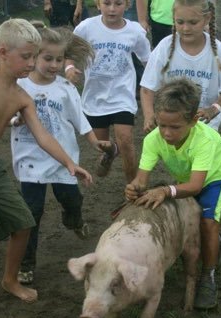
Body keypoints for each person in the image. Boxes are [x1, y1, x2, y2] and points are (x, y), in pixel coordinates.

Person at [0, 18, 92, 312]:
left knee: (24, 222)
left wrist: (68, 163)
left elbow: (42, 135)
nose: (30, 63)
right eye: (26, 57)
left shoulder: (21, 96)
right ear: (2, 53)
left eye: (32, 56)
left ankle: (10, 279)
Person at [11, 23, 113, 285]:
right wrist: (13, 121)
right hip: (30, 160)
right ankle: (26, 263)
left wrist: (95, 142)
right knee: (31, 212)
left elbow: (80, 121)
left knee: (71, 199)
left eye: (59, 59)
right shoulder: (18, 86)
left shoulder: (66, 89)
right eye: (48, 58)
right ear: (33, 56)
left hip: (62, 161)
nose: (54, 64)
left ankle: (74, 219)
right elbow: (5, 115)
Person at [125, 78, 221, 309]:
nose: (166, 133)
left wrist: (166, 190)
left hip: (214, 175)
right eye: (162, 125)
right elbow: (142, 178)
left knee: (207, 222)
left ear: (194, 120)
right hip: (187, 175)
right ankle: (207, 247)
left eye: (174, 127)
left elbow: (196, 186)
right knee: (187, 215)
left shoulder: (204, 140)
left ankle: (208, 275)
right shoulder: (153, 139)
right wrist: (134, 188)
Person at [71, 0, 151, 183]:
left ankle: (133, 187)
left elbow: (148, 60)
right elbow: (70, 52)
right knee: (102, 145)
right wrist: (69, 68)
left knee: (126, 141)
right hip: (94, 98)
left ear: (127, 5)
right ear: (98, 5)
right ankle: (110, 151)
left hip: (122, 96)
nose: (112, 9)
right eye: (107, 3)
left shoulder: (135, 31)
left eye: (118, 3)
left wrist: (158, 81)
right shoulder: (86, 28)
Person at [140, 0, 221, 134]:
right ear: (173, 19)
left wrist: (214, 109)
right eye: (180, 22)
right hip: (171, 126)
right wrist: (149, 115)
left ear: (207, 19)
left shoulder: (218, 51)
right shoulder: (164, 47)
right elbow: (147, 88)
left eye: (193, 22)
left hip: (205, 126)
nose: (186, 28)